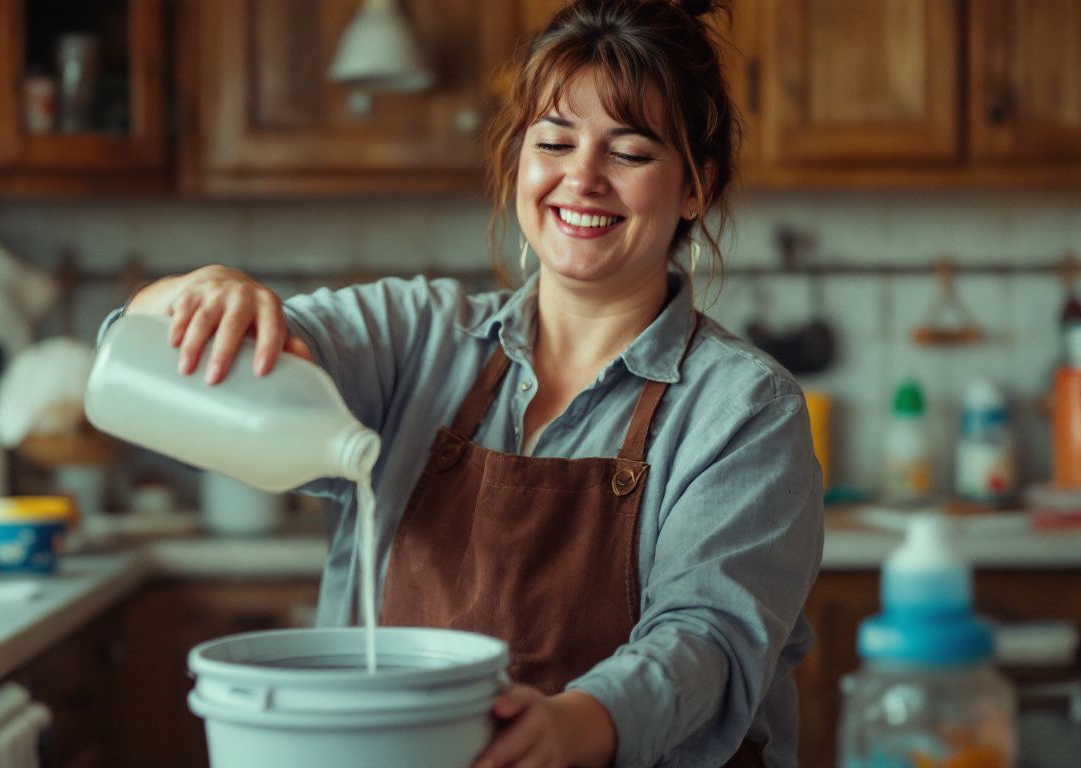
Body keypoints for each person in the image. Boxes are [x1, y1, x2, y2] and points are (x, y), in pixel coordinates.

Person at [111, 1, 823, 765]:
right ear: (519, 160)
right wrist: (205, 291)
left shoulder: (743, 410)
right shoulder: (415, 338)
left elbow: (708, 641)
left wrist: (572, 726)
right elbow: (141, 348)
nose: (582, 178)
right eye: (554, 141)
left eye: (631, 153)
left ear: (695, 187)